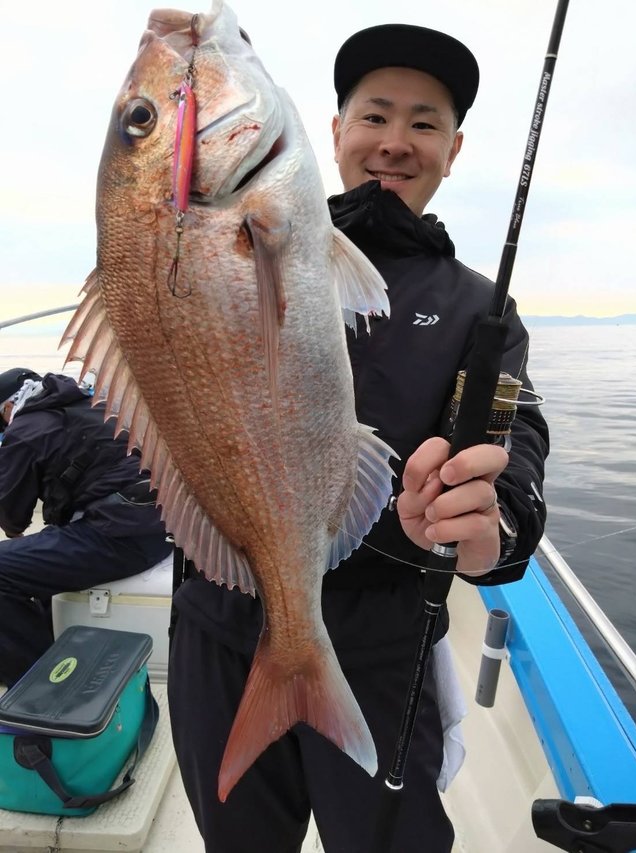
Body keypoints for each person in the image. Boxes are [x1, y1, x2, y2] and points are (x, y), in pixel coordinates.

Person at [167, 23, 549, 853]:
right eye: (375, 115)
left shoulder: (481, 312)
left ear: (453, 150)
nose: (395, 142)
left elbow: (514, 446)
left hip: (381, 641)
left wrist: (487, 529)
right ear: (333, 131)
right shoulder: (228, 239)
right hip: (215, 624)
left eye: (424, 123)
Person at [0, 368, 172, 686]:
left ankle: (42, 683)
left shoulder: (23, 430)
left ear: (7, 407)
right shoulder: (90, 403)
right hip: (162, 524)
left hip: (120, 536)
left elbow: (12, 516)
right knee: (37, 552)